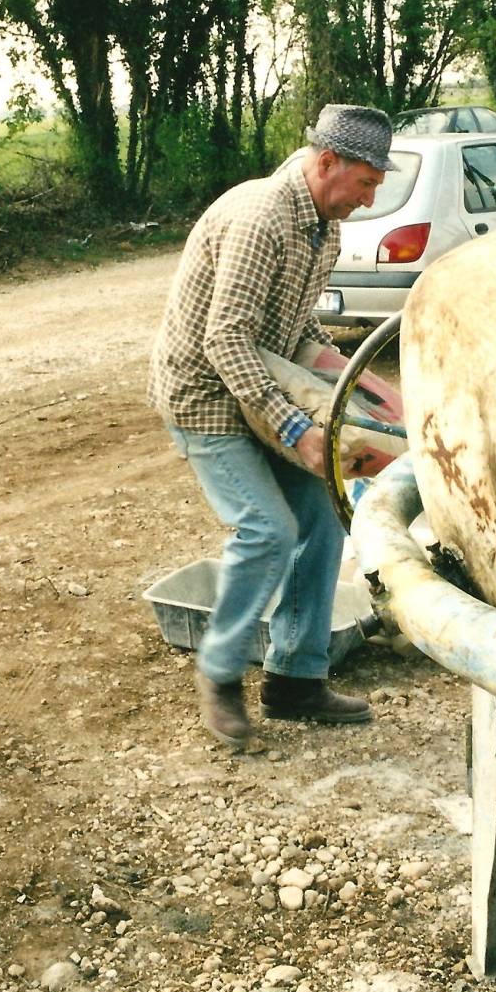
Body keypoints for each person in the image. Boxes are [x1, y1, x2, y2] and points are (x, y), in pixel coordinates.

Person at [148, 103, 396, 749]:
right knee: (266, 528)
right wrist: (297, 432)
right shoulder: (261, 218)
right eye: (366, 183)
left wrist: (363, 380)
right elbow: (226, 340)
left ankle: (295, 678)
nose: (368, 200)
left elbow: (296, 331)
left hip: (255, 388)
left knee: (319, 516)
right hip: (205, 396)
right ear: (326, 162)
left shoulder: (323, 226)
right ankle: (221, 673)